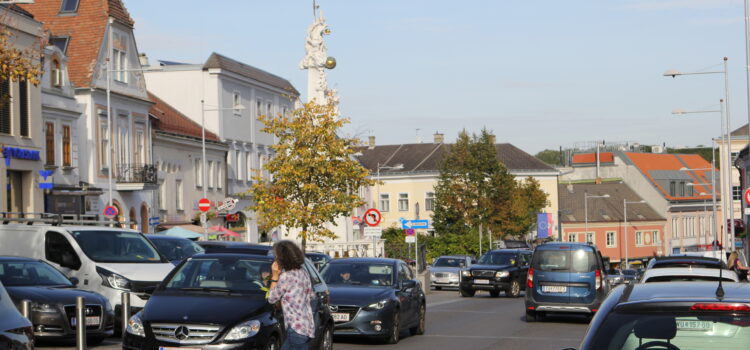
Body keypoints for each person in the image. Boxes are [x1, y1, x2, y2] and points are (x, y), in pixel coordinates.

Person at [267, 240, 315, 349]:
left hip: (295, 328)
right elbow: (310, 295)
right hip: (307, 325)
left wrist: (275, 276)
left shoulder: (286, 276)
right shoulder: (303, 273)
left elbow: (271, 298)